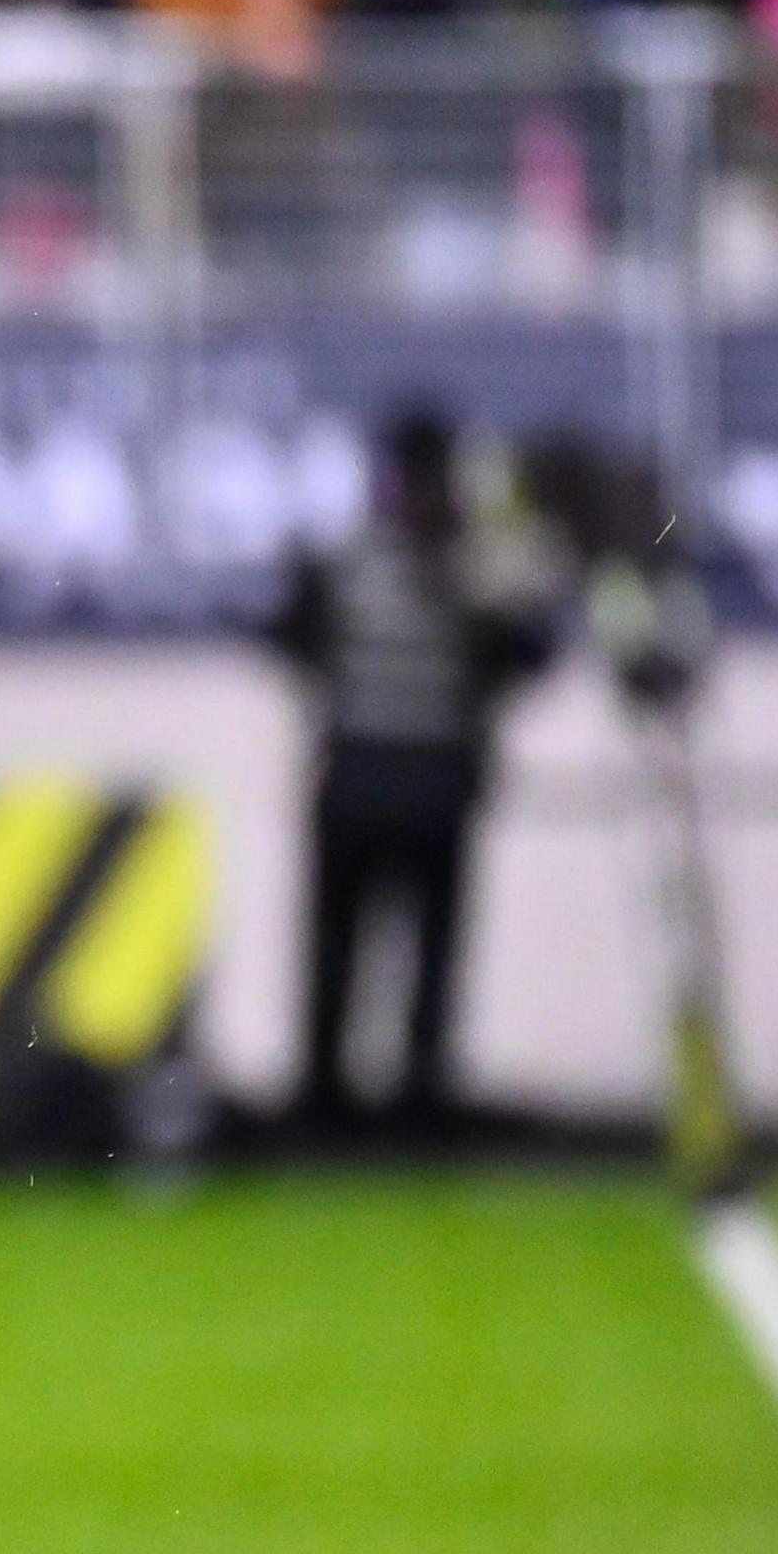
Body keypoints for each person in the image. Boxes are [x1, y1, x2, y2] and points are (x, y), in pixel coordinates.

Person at [271, 411, 552, 1139]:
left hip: (397, 777)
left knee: (395, 952)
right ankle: (352, 1102)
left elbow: (289, 639)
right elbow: (527, 657)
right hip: (397, 776)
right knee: (364, 951)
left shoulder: (429, 566)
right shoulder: (413, 564)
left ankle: (378, 1103)